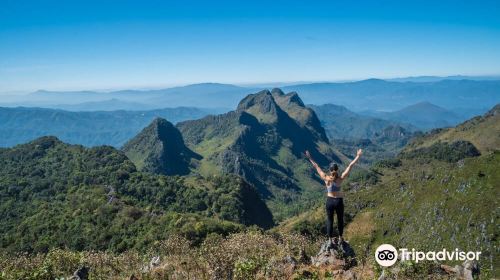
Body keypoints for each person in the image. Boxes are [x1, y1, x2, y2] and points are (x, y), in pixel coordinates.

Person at [304, 149, 363, 246]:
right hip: (339, 201)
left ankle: (330, 241)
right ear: (337, 170)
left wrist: (309, 157)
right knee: (340, 220)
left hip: (330, 201)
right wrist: (358, 156)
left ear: (330, 170)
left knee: (330, 220)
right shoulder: (340, 178)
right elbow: (350, 166)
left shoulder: (326, 178)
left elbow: (316, 166)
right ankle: (340, 238)